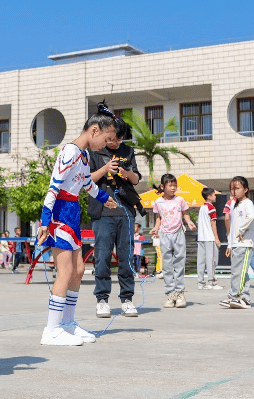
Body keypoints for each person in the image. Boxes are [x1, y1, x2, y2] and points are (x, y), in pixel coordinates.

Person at [36, 112, 119, 345]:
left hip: (72, 214)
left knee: (79, 270)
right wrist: (45, 222)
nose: (106, 144)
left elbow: (86, 184)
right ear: (94, 131)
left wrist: (104, 198)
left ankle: (67, 323)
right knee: (65, 272)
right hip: (60, 214)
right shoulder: (70, 152)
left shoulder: (82, 156)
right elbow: (53, 186)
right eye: (105, 139)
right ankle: (51, 329)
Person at [86, 108, 142, 319]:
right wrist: (106, 168)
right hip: (102, 212)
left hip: (125, 211)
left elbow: (136, 178)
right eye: (113, 139)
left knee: (127, 258)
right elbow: (86, 179)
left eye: (120, 139)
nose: (116, 142)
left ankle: (127, 299)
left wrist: (125, 173)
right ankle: (102, 299)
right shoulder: (93, 151)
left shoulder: (127, 151)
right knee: (102, 257)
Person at [151, 174, 195, 309]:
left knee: (179, 263)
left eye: (174, 185)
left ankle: (180, 293)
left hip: (178, 233)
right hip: (164, 235)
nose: (173, 188)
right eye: (170, 185)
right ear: (163, 187)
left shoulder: (180, 200)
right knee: (167, 266)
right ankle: (170, 293)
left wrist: (189, 222)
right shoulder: (158, 202)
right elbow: (158, 217)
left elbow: (185, 213)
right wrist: (156, 228)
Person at [221, 175, 254, 309]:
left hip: (245, 243)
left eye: (237, 188)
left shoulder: (248, 203)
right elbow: (232, 226)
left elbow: (251, 216)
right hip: (236, 244)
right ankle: (237, 296)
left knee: (241, 272)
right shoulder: (234, 204)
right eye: (232, 189)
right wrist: (230, 243)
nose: (234, 191)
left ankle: (239, 296)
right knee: (237, 272)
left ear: (246, 189)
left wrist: (241, 231)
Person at [195, 187, 222, 291]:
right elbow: (213, 223)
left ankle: (200, 283)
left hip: (201, 237)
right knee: (212, 260)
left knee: (201, 260)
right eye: (214, 195)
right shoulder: (211, 208)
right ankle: (211, 282)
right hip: (209, 238)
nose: (215, 196)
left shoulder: (202, 208)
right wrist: (217, 238)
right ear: (209, 196)